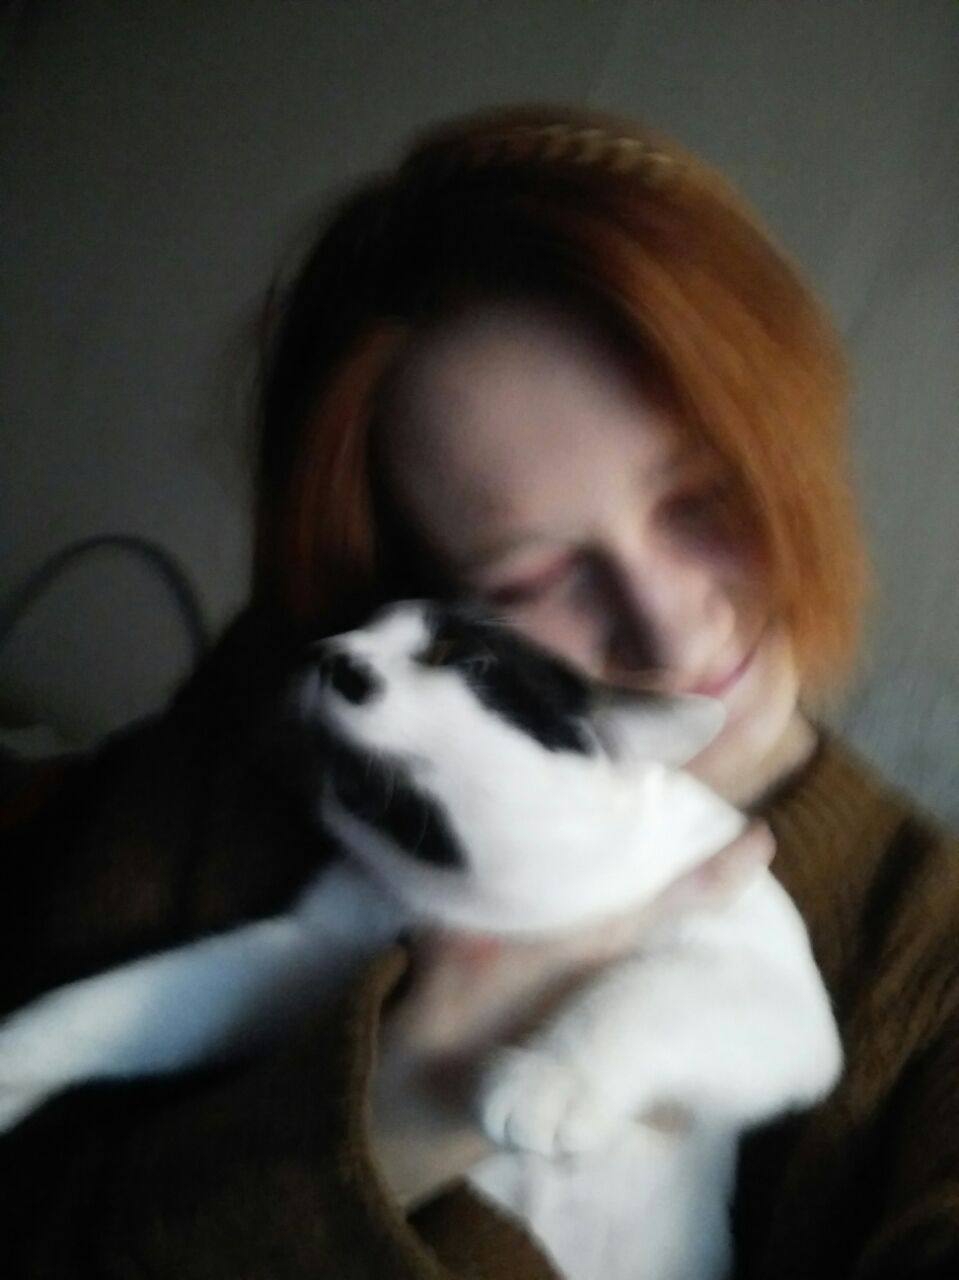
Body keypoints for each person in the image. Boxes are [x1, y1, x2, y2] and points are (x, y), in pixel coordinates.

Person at [2, 104, 957, 1279]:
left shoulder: (930, 953)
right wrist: (396, 1115)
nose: (666, 625)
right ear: (416, 584)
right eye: (529, 576)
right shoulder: (267, 735)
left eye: (702, 494)